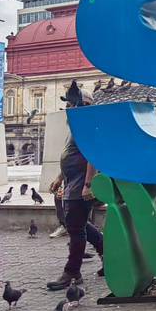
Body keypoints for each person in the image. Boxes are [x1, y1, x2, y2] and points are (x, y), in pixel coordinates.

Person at [47, 86, 104, 290]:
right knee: (78, 224)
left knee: (76, 228)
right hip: (74, 183)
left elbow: (92, 156)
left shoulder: (86, 126)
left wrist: (88, 184)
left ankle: (72, 272)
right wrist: (59, 177)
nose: (68, 107)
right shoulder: (77, 128)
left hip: (80, 185)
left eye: (71, 104)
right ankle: (106, 251)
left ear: (84, 105)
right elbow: (73, 155)